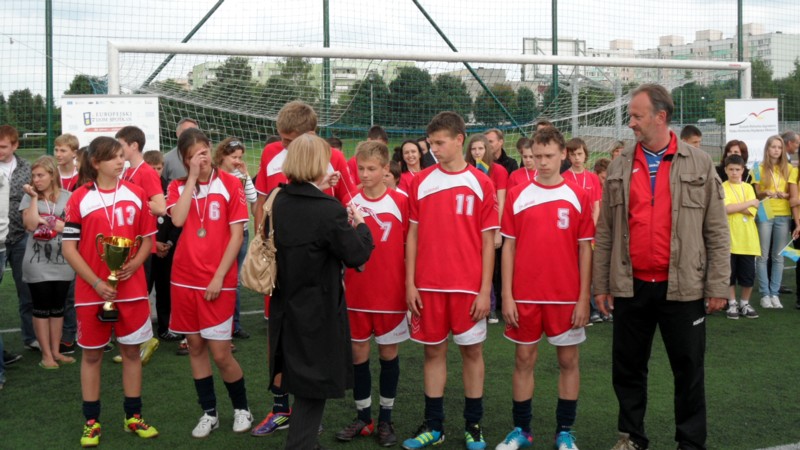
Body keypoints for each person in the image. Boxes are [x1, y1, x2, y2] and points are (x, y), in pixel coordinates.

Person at [593, 84, 729, 450]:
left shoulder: (699, 162)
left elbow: (717, 230)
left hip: (683, 287)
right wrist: (601, 284)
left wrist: (718, 285)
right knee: (627, 368)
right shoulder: (620, 165)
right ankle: (631, 438)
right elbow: (605, 231)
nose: (631, 122)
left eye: (637, 116)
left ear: (661, 117)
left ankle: (690, 443)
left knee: (689, 370)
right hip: (631, 286)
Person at [252, 100, 356, 437]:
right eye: (281, 139)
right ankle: (282, 409)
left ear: (310, 134)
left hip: (316, 269)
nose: (283, 146)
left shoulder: (333, 156)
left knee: (312, 341)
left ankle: (306, 419)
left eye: (290, 140)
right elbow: (262, 203)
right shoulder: (270, 153)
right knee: (280, 338)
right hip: (281, 267)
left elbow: (343, 208)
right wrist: (263, 244)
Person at [269, 134, 373, 449]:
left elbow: (302, 205)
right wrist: (362, 226)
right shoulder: (327, 209)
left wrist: (320, 186)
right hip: (318, 309)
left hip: (287, 306)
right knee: (312, 389)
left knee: (303, 383)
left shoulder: (280, 200)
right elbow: (356, 253)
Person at [403, 112, 498, 450]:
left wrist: (485, 290)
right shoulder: (420, 181)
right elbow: (412, 235)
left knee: (472, 353)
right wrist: (410, 283)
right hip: (428, 287)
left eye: (440, 143)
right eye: (431, 144)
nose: (434, 149)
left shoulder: (481, 183)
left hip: (468, 288)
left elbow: (488, 241)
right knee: (433, 353)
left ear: (460, 140)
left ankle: (474, 425)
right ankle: (434, 426)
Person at [496, 126, 593, 450]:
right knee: (524, 359)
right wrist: (507, 295)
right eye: (537, 156)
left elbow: (585, 249)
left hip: (566, 296)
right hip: (524, 295)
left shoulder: (579, 196)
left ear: (563, 154)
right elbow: (508, 247)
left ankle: (564, 431)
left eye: (549, 156)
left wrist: (583, 298)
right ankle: (522, 430)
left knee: (568, 361)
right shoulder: (518, 194)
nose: (542, 162)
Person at [62, 136, 159, 447]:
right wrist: (96, 282)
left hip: (132, 289)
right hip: (92, 291)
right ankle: (91, 422)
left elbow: (147, 239)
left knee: (131, 352)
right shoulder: (79, 198)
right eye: (114, 157)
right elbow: (69, 249)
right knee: (92, 355)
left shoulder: (136, 193)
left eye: (121, 156)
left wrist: (135, 264)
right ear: (96, 163)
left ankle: (134, 416)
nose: (121, 161)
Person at [167, 128, 252, 438]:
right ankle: (209, 413)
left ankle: (242, 408)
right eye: (191, 157)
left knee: (220, 352)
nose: (199, 160)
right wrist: (191, 178)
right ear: (184, 159)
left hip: (218, 280)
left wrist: (218, 276)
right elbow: (177, 220)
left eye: (202, 153)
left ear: (210, 149)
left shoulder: (230, 183)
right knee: (195, 347)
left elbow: (237, 235)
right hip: (184, 279)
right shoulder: (177, 186)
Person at [335, 140, 408, 447]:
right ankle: (364, 418)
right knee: (358, 354)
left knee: (388, 354)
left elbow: (410, 247)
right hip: (357, 292)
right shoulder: (349, 202)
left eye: (371, 169)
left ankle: (386, 419)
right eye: (360, 169)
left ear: (386, 169)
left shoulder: (401, 201)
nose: (364, 175)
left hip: (391, 293)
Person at [21, 156, 76, 369]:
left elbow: (73, 227)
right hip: (37, 262)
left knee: (58, 308)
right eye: (34, 176)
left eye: (40, 175)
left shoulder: (68, 196)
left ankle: (56, 351)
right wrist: (35, 198)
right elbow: (30, 224)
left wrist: (51, 222)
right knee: (41, 308)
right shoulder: (29, 197)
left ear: (52, 175)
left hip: (63, 260)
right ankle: (46, 355)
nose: (36, 180)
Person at [213, 137, 257, 340]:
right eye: (234, 157)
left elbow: (253, 199)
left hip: (241, 233)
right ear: (222, 156)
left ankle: (234, 325)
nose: (238, 161)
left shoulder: (240, 175)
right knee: (217, 277)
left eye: (240, 157)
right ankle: (216, 321)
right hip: (220, 235)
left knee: (234, 281)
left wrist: (246, 175)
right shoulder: (213, 175)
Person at [751, 135, 799, 309]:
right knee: (763, 255)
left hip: (783, 214)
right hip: (765, 213)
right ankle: (765, 294)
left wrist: (784, 195)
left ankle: (775, 293)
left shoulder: (789, 168)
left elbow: (792, 194)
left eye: (779, 147)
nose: (776, 150)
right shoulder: (757, 168)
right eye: (773, 147)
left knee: (778, 256)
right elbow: (757, 193)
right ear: (767, 149)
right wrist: (766, 193)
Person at [0, 125, 37, 351]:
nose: (0, 150)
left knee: (27, 290)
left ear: (15, 145)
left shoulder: (27, 168)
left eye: (3, 146)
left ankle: (31, 337)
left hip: (21, 237)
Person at [465, 134, 508, 323]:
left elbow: (501, 201)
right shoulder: (467, 171)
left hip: (489, 227)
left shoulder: (498, 170)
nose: (477, 152)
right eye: (474, 149)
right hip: (470, 227)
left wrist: (497, 231)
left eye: (480, 148)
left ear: (487, 150)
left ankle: (490, 306)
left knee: (488, 266)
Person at [143, 151, 182, 342]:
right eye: (152, 168)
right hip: (145, 249)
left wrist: (168, 243)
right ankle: (140, 330)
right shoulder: (137, 191)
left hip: (166, 250)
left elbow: (177, 221)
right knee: (143, 289)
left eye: (159, 168)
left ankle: (166, 327)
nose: (156, 172)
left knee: (165, 288)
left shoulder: (171, 189)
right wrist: (153, 242)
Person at [721, 154, 761, 320]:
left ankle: (744, 303)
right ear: (725, 170)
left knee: (748, 275)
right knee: (729, 274)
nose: (734, 172)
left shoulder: (749, 188)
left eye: (737, 169)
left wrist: (738, 207)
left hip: (748, 240)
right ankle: (732, 303)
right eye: (731, 169)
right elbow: (726, 209)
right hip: (729, 239)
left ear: (743, 170)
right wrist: (749, 203)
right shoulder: (722, 186)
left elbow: (752, 211)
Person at [565, 138, 602, 225]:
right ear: (568, 156)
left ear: (585, 154)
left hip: (589, 223)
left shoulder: (594, 178)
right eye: (573, 155)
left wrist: (593, 225)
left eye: (579, 154)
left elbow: (596, 206)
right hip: (572, 224)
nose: (577, 158)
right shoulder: (563, 178)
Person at [163, 118, 199, 182]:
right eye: (185, 131)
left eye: (192, 131)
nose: (188, 135)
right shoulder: (166, 160)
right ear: (177, 133)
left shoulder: (206, 158)